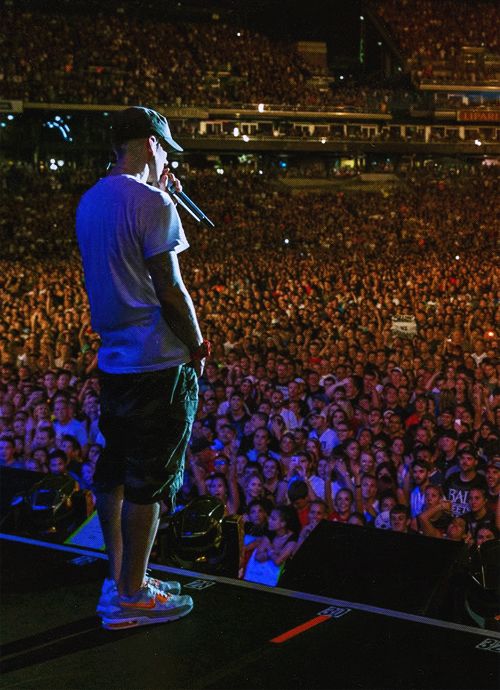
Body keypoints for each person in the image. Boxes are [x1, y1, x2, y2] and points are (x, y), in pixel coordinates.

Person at [76, 106, 207, 630]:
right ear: (153, 144)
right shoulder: (151, 201)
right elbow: (169, 287)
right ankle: (132, 596)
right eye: (165, 151)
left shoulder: (89, 201)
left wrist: (163, 196)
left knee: (115, 469)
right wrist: (196, 343)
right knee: (151, 478)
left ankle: (120, 579)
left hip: (115, 360)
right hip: (157, 358)